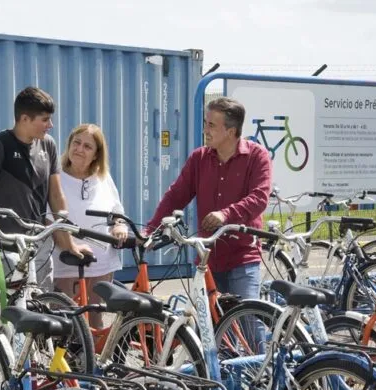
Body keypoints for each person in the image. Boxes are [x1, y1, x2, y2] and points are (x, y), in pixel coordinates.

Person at [145, 96, 271, 299]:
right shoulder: (199, 158)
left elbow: (259, 198)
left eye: (211, 125)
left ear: (230, 131)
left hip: (243, 257)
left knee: (248, 322)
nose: (205, 130)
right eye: (206, 123)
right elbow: (176, 196)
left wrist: (226, 214)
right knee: (207, 326)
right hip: (208, 258)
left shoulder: (257, 156)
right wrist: (151, 230)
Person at [0, 86, 90, 291]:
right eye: (44, 120)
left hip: (38, 239)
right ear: (24, 119)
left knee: (42, 307)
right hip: (6, 243)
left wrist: (70, 243)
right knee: (18, 309)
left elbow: (56, 196)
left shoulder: (48, 145)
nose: (50, 125)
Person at [53, 124, 128, 329]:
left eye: (87, 146)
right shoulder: (56, 176)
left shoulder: (102, 177)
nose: (79, 149)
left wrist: (119, 225)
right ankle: (67, 360)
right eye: (76, 143)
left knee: (95, 318)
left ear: (96, 154)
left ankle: (93, 359)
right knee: (67, 320)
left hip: (100, 259)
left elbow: (116, 209)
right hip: (66, 257)